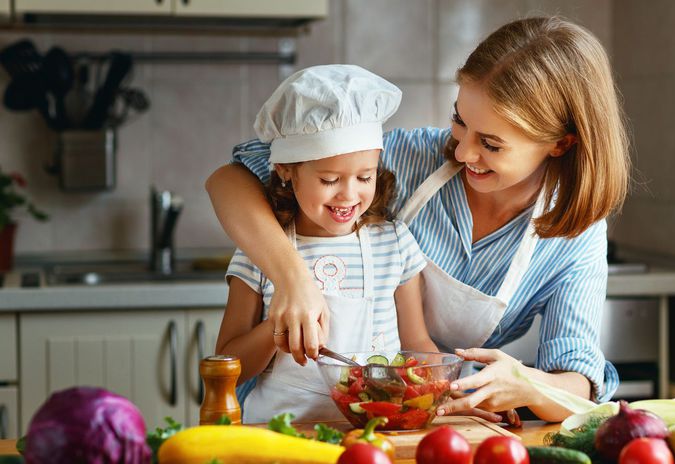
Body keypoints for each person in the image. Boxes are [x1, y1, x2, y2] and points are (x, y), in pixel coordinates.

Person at [207, 16, 630, 423]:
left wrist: (527, 384)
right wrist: (293, 280)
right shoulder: (410, 158)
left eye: (491, 144)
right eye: (460, 121)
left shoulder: (575, 234)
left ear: (559, 144)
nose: (463, 153)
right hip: (276, 414)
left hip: (425, 414)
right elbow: (230, 179)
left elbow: (578, 380)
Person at [215, 64, 437, 423]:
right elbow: (230, 366)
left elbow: (418, 346)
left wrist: (444, 390)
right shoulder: (260, 251)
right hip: (278, 437)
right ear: (287, 170)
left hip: (370, 437)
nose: (349, 195)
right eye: (329, 179)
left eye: (365, 176)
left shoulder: (393, 244)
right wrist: (277, 331)